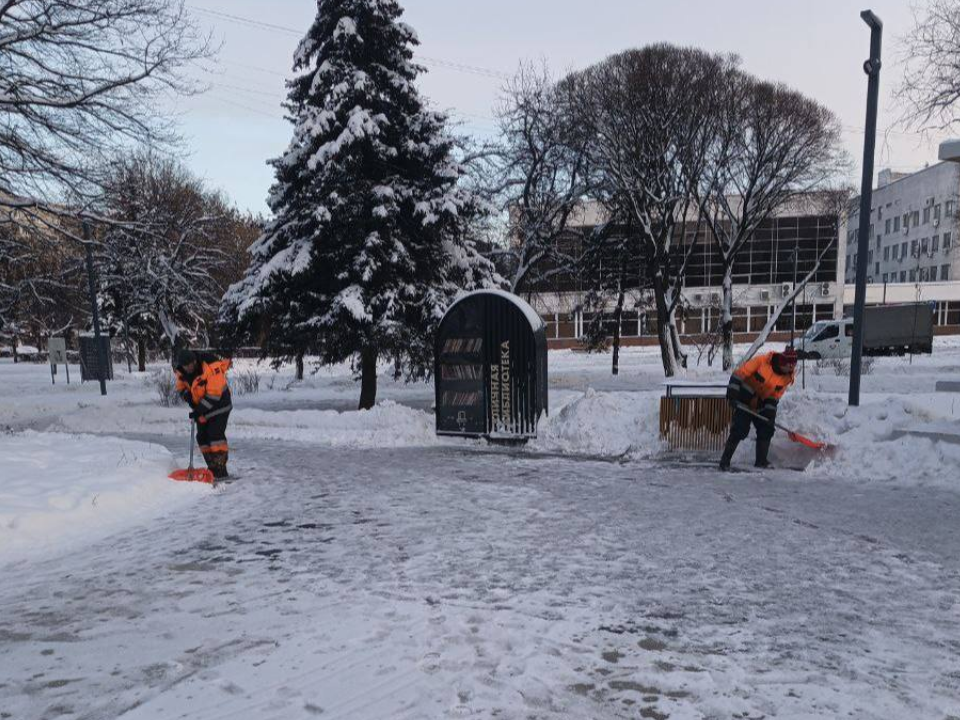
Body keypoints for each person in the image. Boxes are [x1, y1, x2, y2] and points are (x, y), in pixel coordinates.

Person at [719, 346, 798, 471]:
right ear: (783, 362)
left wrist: (769, 412)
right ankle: (725, 461)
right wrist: (732, 393)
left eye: (793, 366)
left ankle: (761, 461)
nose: (791, 368)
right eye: (789, 366)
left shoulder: (787, 377)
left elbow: (775, 395)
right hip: (744, 400)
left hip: (761, 404)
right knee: (740, 429)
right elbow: (740, 373)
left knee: (766, 428)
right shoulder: (762, 361)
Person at [173, 349, 232, 479]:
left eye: (191, 364)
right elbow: (181, 387)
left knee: (215, 436)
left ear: (195, 360)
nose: (189, 367)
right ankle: (212, 469)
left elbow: (214, 395)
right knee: (202, 437)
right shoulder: (181, 372)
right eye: (185, 365)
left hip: (220, 405)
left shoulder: (211, 367)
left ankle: (221, 470)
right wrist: (187, 396)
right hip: (202, 407)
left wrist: (198, 410)